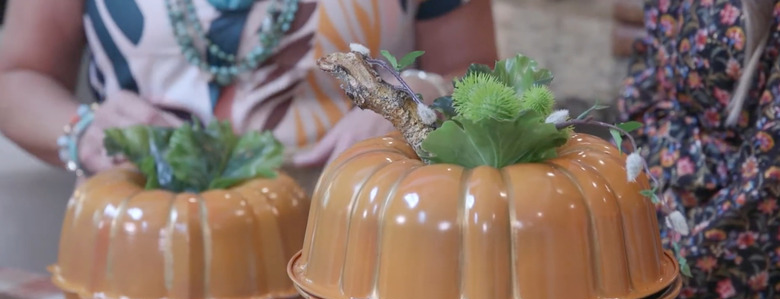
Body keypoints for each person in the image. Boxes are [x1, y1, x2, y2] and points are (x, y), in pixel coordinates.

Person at [0, 0, 497, 190]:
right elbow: (16, 75)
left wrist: (414, 104)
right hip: (146, 241)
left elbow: (474, 74)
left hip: (367, 238)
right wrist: (81, 131)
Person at [618, 1, 779, 299]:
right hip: (664, 233)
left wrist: (649, 280)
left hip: (741, 291)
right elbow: (642, 96)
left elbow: (765, 188)